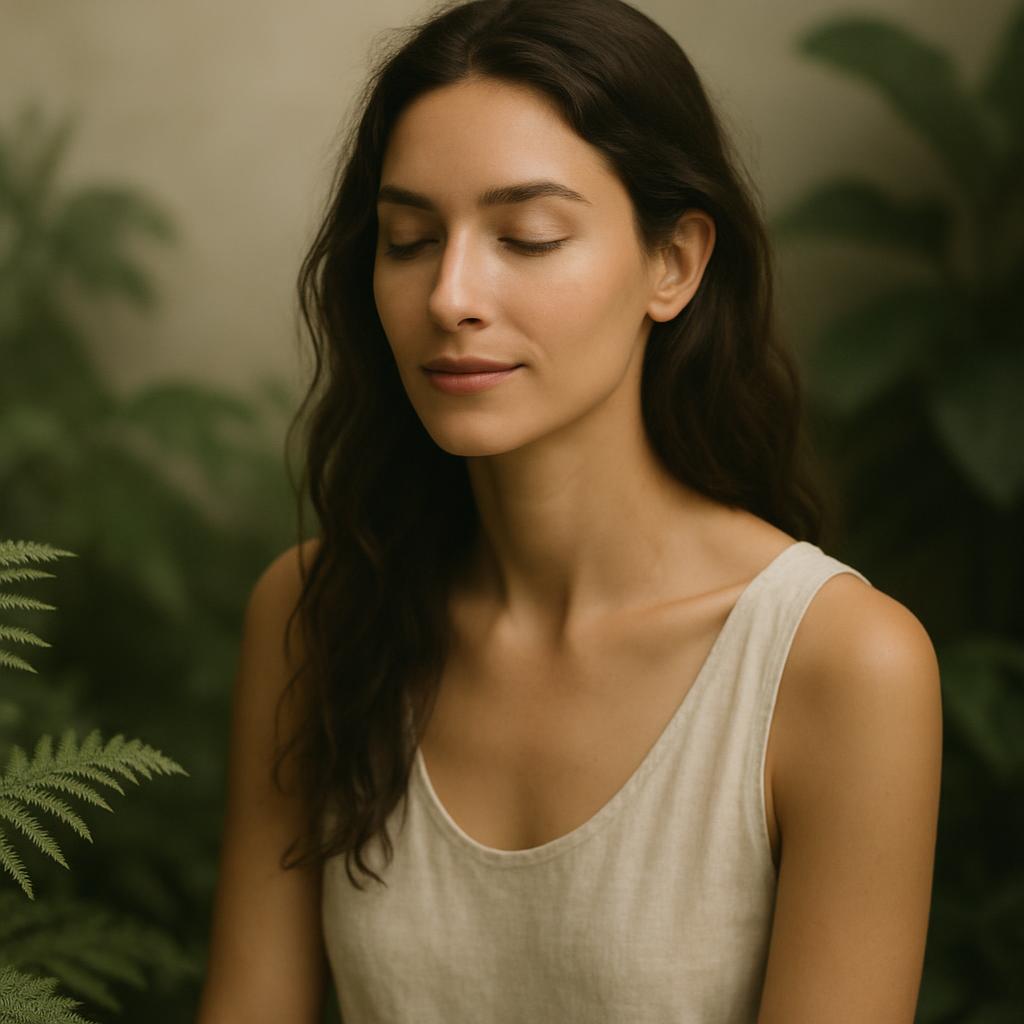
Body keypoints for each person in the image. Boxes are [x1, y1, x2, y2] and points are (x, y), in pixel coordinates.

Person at [195, 1, 943, 1021]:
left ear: (673, 262)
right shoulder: (317, 615)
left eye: (528, 236)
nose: (451, 293)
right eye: (408, 239)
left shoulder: (839, 664)